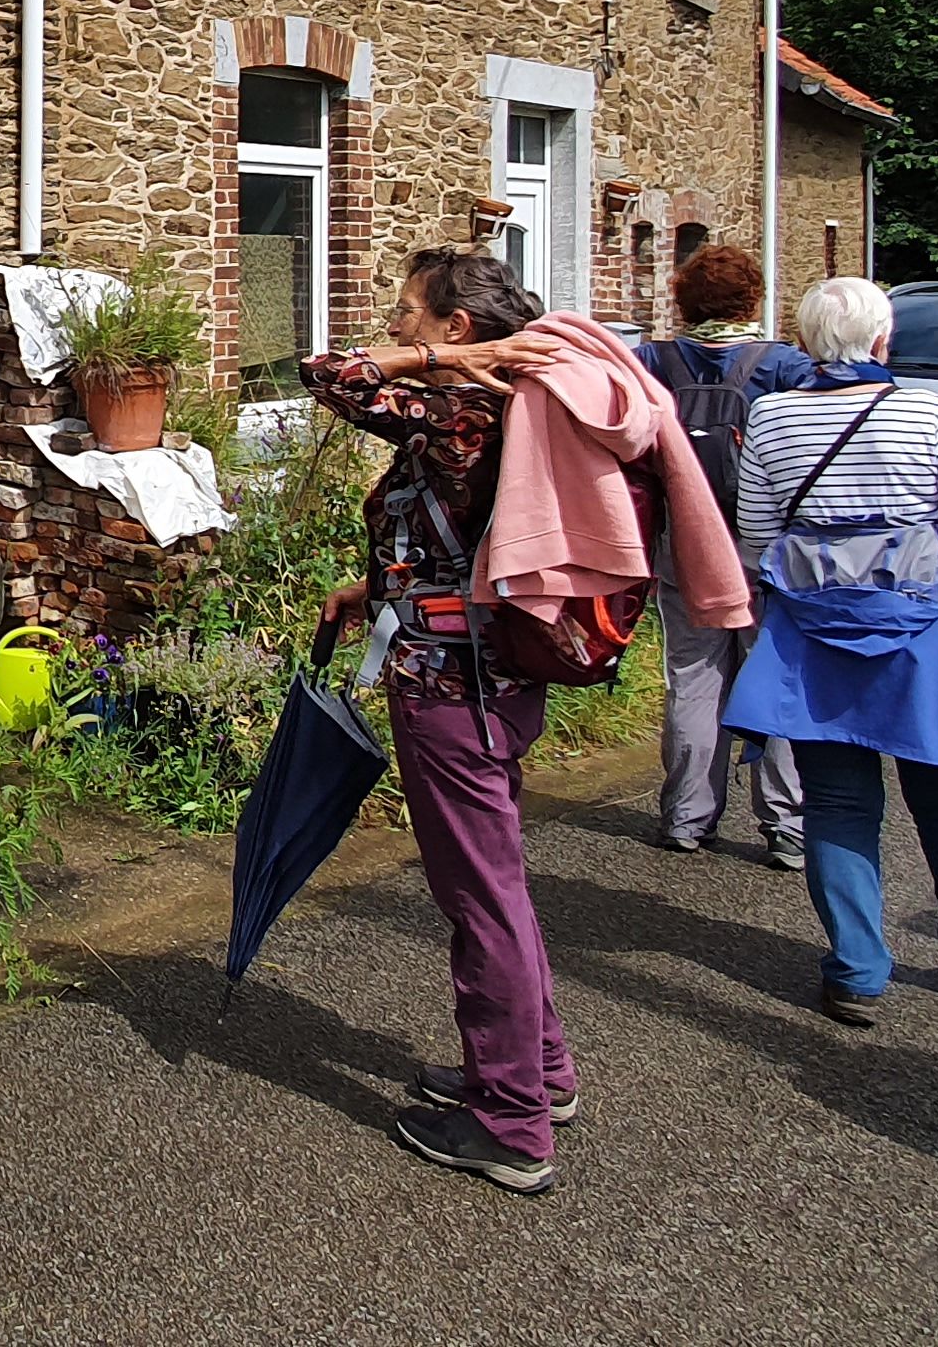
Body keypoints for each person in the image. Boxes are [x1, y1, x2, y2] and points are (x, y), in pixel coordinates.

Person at [300, 250, 572, 1194]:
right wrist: (373, 587)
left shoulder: (460, 406)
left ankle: (509, 1121)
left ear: (457, 328)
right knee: (497, 882)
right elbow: (463, 539)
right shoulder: (502, 410)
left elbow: (328, 372)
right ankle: (538, 1071)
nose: (396, 326)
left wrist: (435, 363)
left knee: (479, 896)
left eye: (409, 311)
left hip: (455, 690)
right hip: (494, 677)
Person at [723, 275, 938, 1026]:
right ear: (884, 340)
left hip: (813, 630)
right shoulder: (922, 413)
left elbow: (756, 532)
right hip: (925, 629)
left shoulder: (772, 417)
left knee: (835, 802)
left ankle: (857, 973)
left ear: (804, 341)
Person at [640, 242, 821, 867]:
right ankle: (786, 824)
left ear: (683, 302)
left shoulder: (654, 361)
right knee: (775, 676)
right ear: (753, 299)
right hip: (766, 547)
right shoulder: (786, 366)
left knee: (693, 677)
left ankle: (686, 817)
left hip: (685, 543)